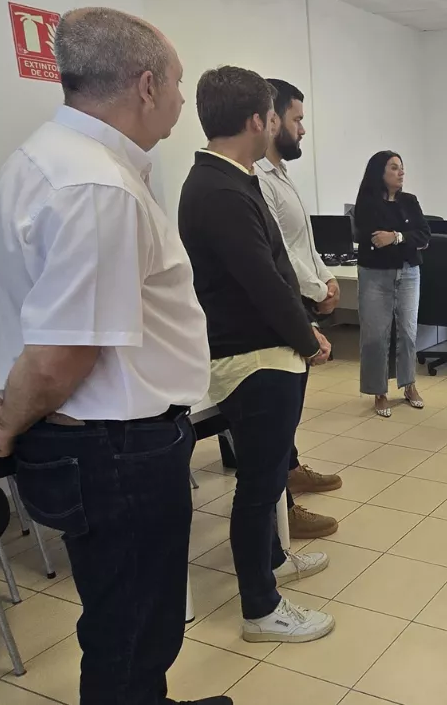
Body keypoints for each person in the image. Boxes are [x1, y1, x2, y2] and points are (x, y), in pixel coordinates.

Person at [0, 7, 230, 705]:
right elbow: (60, 355)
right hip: (116, 452)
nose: (179, 100)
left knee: (132, 616)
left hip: (99, 445)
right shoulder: (96, 187)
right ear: (145, 85)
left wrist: (7, 413)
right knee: (133, 628)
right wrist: (7, 421)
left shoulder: (47, 159)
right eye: (176, 83)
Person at [179, 66, 334, 644]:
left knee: (269, 482)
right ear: (256, 120)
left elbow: (275, 268)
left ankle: (272, 562)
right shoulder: (218, 189)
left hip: (267, 351)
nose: (278, 126)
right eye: (275, 117)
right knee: (259, 484)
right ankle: (261, 608)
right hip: (252, 358)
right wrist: (308, 334)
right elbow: (263, 280)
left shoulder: (233, 179)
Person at [255, 77, 342, 540]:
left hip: (302, 297)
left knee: (292, 406)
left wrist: (326, 276)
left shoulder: (281, 174)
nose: (302, 130)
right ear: (271, 121)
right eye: (297, 119)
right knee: (280, 409)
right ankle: (283, 504)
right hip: (286, 306)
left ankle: (291, 470)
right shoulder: (255, 180)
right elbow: (276, 255)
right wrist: (316, 288)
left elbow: (302, 243)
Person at [353, 151, 430, 418]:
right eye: (394, 168)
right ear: (380, 172)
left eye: (402, 168)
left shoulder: (410, 201)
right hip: (375, 274)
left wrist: (396, 236)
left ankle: (409, 385)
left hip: (409, 273)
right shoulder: (366, 202)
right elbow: (373, 238)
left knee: (408, 332)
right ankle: (379, 391)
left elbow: (424, 235)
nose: (401, 172)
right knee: (376, 335)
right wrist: (406, 238)